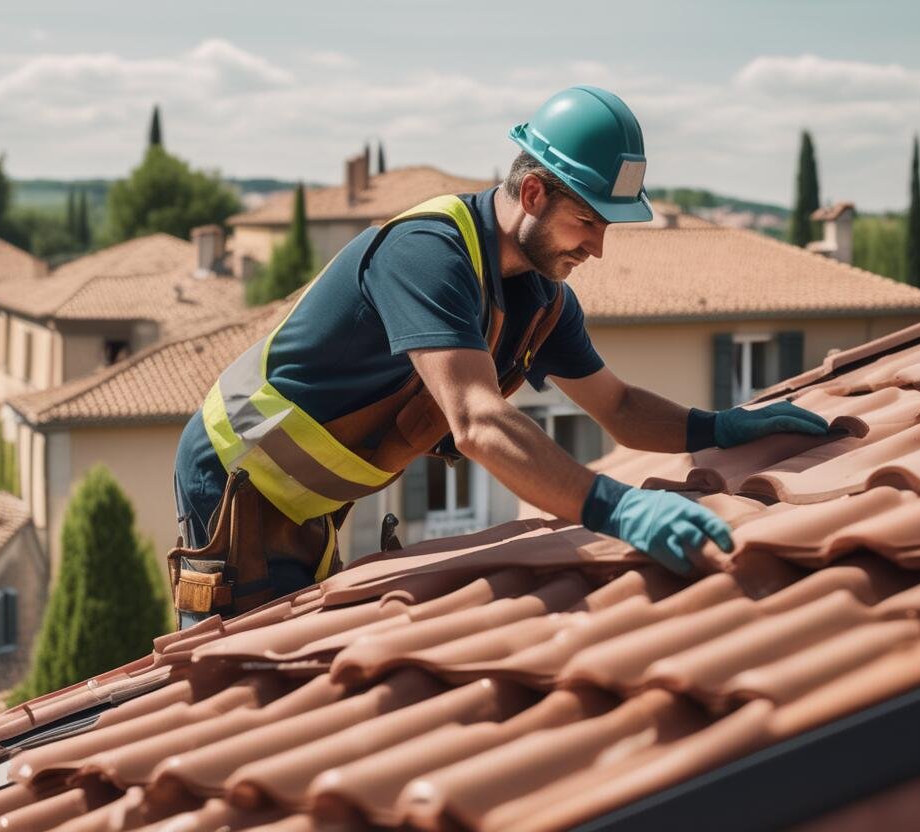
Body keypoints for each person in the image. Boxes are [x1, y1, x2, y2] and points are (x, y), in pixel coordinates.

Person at [169, 85, 828, 627]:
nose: (597, 248)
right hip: (237, 472)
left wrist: (718, 429)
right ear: (535, 193)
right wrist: (616, 509)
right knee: (246, 667)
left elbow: (620, 409)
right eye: (588, 221)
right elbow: (476, 422)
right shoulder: (428, 255)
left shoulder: (541, 304)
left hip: (308, 501)